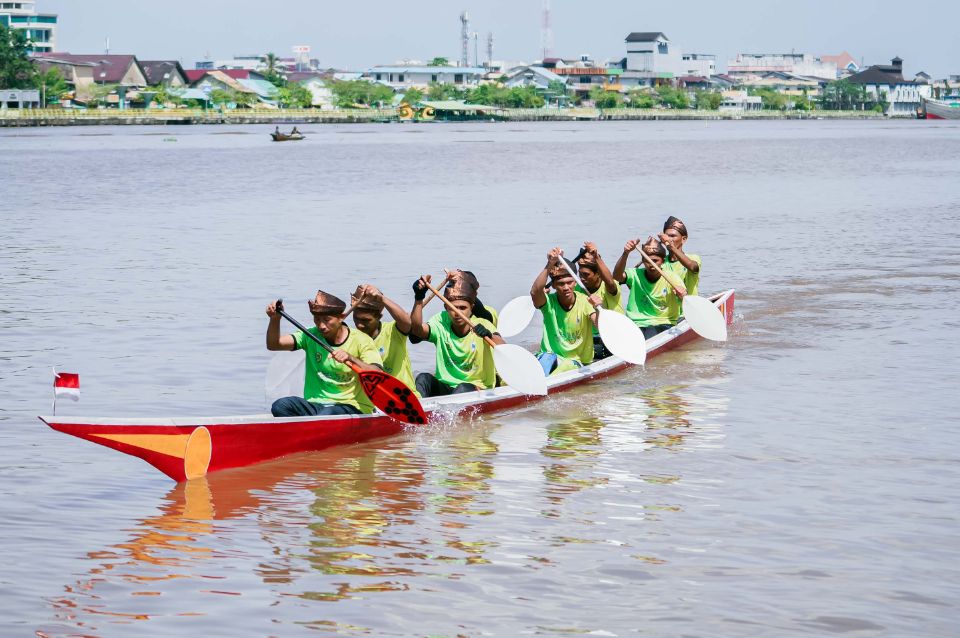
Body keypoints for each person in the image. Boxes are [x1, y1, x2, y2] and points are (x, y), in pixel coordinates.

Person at [266, 290, 383, 417]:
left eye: (327, 320)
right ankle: (307, 432)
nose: (321, 326)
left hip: (351, 406)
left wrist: (350, 357)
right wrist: (275, 319)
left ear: (341, 317)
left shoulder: (361, 340)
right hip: (315, 404)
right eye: (317, 319)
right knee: (280, 406)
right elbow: (274, 344)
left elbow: (377, 373)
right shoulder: (310, 335)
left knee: (327, 413)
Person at [409, 274, 503, 397]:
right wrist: (419, 298)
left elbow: (503, 346)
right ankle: (416, 411)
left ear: (472, 308)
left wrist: (489, 335)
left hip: (476, 387)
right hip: (446, 386)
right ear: (446, 307)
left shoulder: (482, 323)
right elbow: (416, 330)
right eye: (453, 308)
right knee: (423, 378)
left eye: (463, 308)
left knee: (463, 387)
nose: (457, 313)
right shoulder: (441, 321)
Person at [531, 247, 600, 376]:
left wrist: (597, 308)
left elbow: (599, 326)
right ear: (554, 285)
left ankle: (542, 384)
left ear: (575, 283)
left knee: (566, 365)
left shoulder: (585, 301)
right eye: (561, 284)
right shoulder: (548, 303)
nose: (566, 287)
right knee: (545, 358)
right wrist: (550, 264)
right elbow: (535, 292)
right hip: (550, 357)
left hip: (577, 362)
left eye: (569, 282)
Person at [349, 283, 417, 395]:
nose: (359, 325)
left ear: (379, 317)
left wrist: (381, 298)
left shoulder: (393, 331)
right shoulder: (352, 337)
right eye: (356, 319)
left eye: (365, 320)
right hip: (371, 399)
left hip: (404, 396)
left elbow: (406, 322)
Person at [613, 237, 682, 339]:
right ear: (643, 261)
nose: (651, 265)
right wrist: (626, 253)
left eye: (655, 261)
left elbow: (685, 299)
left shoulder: (672, 278)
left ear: (662, 261)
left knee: (650, 333)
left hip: (662, 323)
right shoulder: (634, 274)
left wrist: (682, 295)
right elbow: (617, 276)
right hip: (635, 324)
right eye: (647, 261)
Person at [574, 241, 623, 360]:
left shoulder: (610, 287)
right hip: (588, 338)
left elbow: (610, 281)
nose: (582, 278)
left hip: (612, 335)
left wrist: (596, 256)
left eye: (586, 275)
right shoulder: (576, 289)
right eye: (580, 274)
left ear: (598, 274)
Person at [660, 215, 701, 301]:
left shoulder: (693, 258)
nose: (669, 239)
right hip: (669, 312)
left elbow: (692, 267)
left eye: (672, 236)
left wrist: (672, 247)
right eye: (667, 236)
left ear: (684, 239)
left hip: (690, 307)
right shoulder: (660, 263)